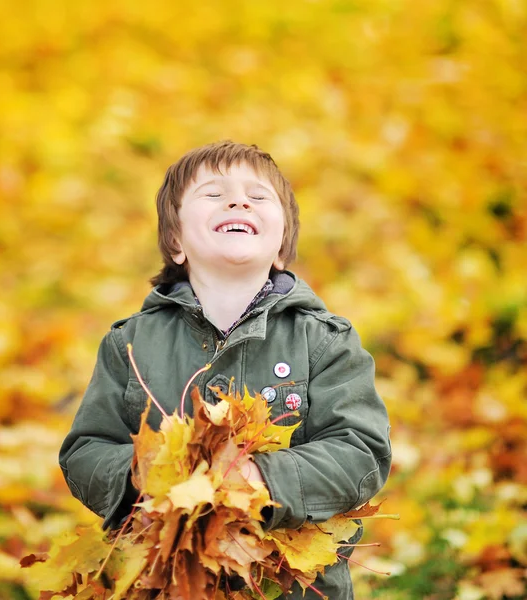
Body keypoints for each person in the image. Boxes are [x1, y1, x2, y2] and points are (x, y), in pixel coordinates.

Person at [59, 140, 391, 599]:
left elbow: (361, 452)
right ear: (176, 241)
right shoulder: (131, 343)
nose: (238, 201)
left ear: (281, 246)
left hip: (289, 587)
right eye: (213, 194)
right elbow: (85, 450)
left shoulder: (323, 340)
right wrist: (146, 474)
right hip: (166, 581)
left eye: (258, 197)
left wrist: (261, 478)